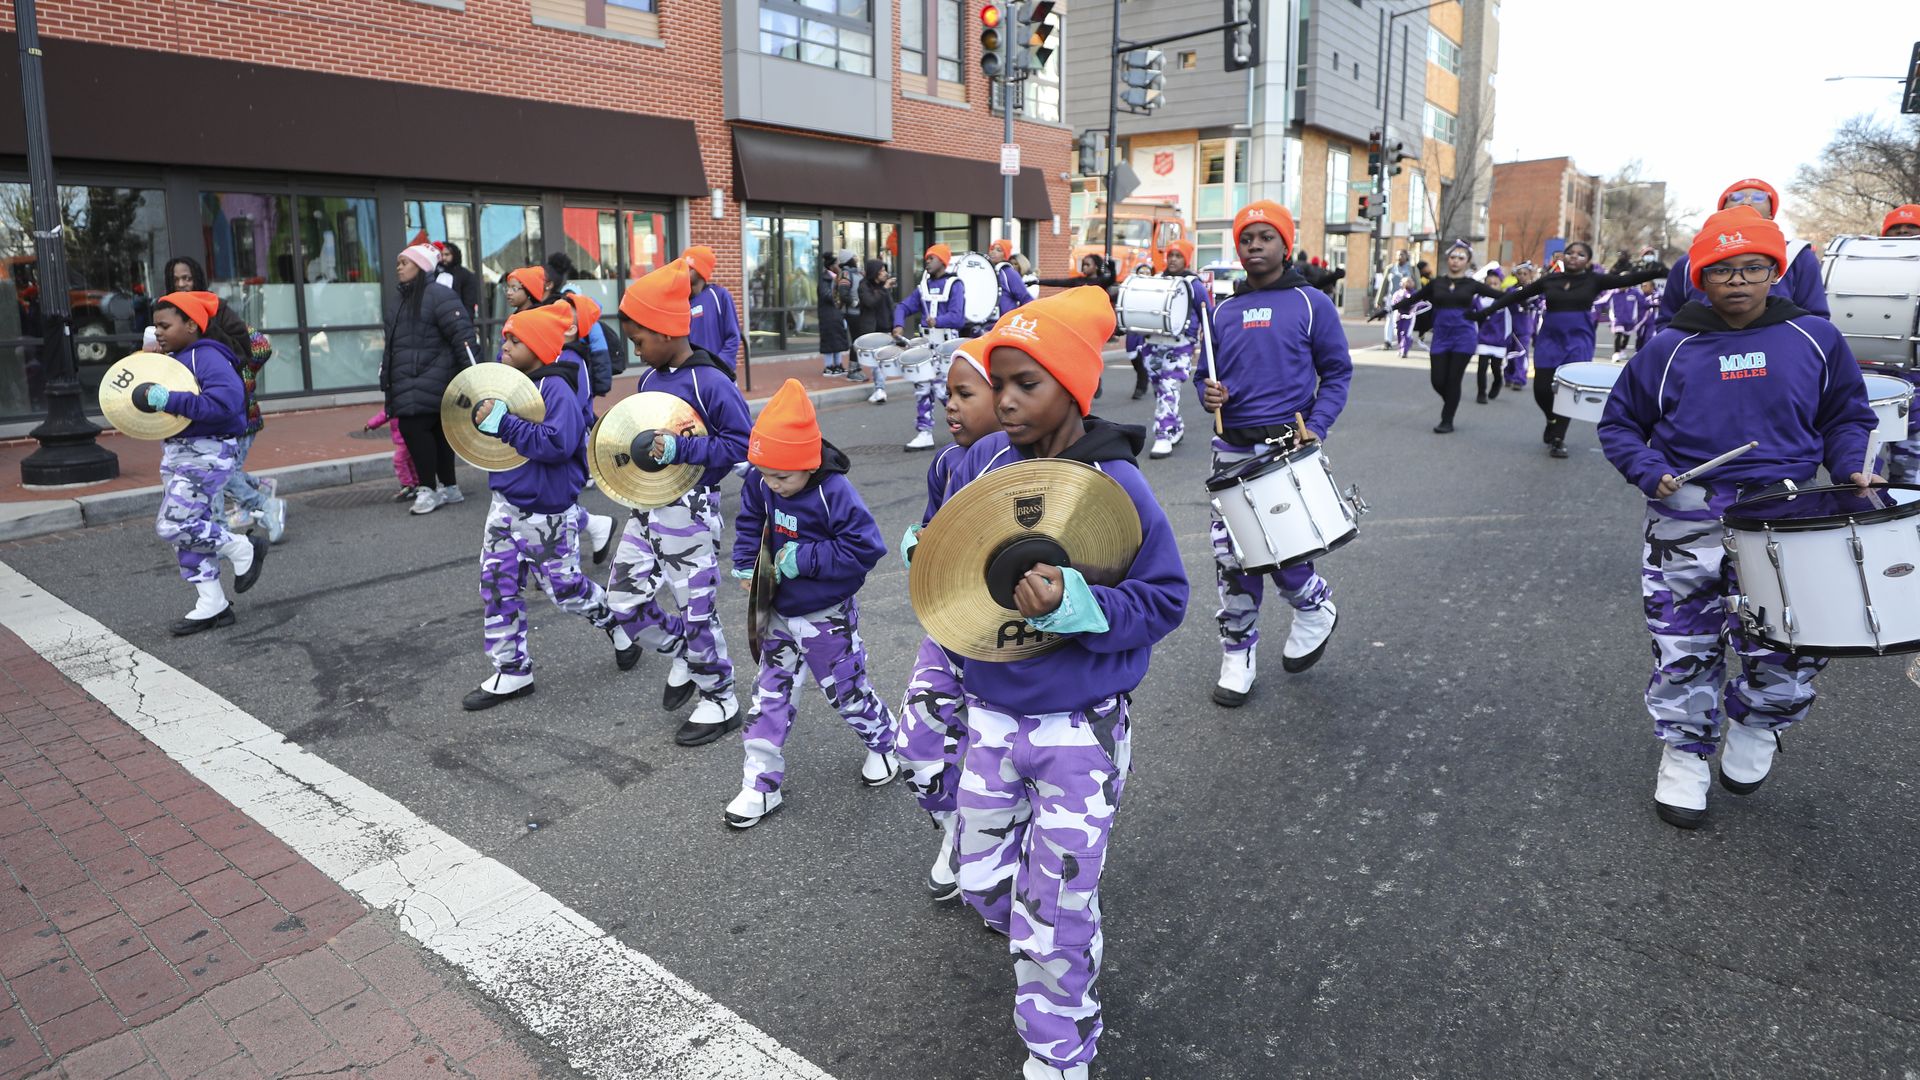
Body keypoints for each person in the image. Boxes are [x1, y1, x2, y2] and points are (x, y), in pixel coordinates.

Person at [920, 286, 1187, 1080]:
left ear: (1072, 388)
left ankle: (1060, 1043)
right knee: (979, 879)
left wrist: (1080, 603)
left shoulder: (1118, 486)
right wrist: (928, 556)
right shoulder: (986, 462)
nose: (1001, 399)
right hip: (991, 716)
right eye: (995, 381)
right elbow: (950, 535)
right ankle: (1044, 945)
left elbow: (1165, 599)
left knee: (1057, 908)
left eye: (1023, 383)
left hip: (1080, 728)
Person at [1596, 206, 1877, 830]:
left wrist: (1851, 463)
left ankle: (1757, 722)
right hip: (1688, 515)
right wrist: (1648, 471)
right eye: (1723, 269)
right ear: (1701, 276)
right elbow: (1620, 425)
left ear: (1774, 270)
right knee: (1684, 641)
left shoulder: (1814, 337)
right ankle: (1684, 755)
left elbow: (1847, 415)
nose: (1739, 281)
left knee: (1795, 636)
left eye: (1753, 267)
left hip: (1787, 508)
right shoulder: (1669, 345)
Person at [722, 379, 897, 827]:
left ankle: (885, 742)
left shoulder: (833, 492)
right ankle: (760, 785)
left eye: (783, 476)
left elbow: (866, 548)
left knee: (846, 693)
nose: (773, 485)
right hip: (779, 611)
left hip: (826, 616)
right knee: (768, 696)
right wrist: (746, 565)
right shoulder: (764, 482)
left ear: (808, 463)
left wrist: (806, 559)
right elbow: (749, 523)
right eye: (764, 474)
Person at [1205, 201, 1352, 706]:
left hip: (1287, 445)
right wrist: (1210, 396)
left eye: (1266, 237)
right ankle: (1237, 652)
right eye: (1247, 238)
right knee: (1234, 558)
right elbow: (1213, 378)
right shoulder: (1222, 310)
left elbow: (1337, 373)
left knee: (1286, 550)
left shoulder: (1312, 303)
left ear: (1285, 245)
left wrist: (1317, 425)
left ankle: (1313, 605)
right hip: (1231, 449)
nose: (1254, 246)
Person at [606, 260, 751, 746]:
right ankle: (686, 655)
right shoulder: (649, 380)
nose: (635, 349)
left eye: (640, 340)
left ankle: (720, 696)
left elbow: (741, 444)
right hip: (646, 509)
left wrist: (682, 449)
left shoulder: (709, 382)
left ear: (667, 331)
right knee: (622, 601)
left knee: (697, 611)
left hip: (690, 511)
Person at [461, 303, 615, 711]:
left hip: (547, 513)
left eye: (515, 340)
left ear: (541, 347)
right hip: (504, 505)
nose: (504, 346)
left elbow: (558, 443)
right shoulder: (509, 386)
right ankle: (512, 670)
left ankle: (612, 618)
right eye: (506, 337)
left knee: (565, 591)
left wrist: (506, 424)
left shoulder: (556, 387)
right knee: (496, 586)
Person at [893, 341, 1001, 898]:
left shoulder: (1016, 459)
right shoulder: (945, 461)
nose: (949, 406)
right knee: (913, 747)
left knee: (989, 755)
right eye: (947, 394)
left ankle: (990, 843)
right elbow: (935, 525)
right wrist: (923, 544)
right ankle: (958, 825)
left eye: (965, 394)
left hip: (1001, 639)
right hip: (948, 629)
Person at [142, 291, 268, 635]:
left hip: (207, 454)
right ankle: (212, 603)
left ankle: (243, 547)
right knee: (189, 529)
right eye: (155, 327)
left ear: (192, 325)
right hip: (183, 453)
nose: (159, 333)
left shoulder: (207, 356)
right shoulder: (182, 357)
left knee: (173, 525)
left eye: (165, 325)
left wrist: (170, 399)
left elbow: (226, 403)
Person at [1474, 240, 1667, 458]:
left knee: (1567, 390)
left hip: (1578, 340)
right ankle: (1551, 418)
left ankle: (1558, 438)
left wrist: (1657, 271)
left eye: (1581, 254)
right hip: (1549, 339)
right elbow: (1517, 295)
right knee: (1541, 389)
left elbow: (1628, 279)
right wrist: (1484, 312)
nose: (1574, 256)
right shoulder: (1550, 280)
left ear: (1588, 261)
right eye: (1570, 253)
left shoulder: (1594, 280)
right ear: (1564, 257)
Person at [161, 257, 286, 544]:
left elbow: (253, 346)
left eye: (188, 278)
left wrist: (241, 375)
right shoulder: (166, 315)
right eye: (177, 279)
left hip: (225, 409)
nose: (183, 284)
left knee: (220, 473)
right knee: (213, 475)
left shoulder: (214, 309)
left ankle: (262, 506)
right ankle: (225, 526)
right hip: (193, 411)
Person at [1651, 178, 1829, 333]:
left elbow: (1816, 320)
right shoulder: (1687, 264)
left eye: (1759, 196)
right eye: (1735, 197)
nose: (1746, 201)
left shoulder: (1799, 257)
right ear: (1722, 211)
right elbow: (1667, 322)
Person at [382, 244, 479, 514]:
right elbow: (394, 345)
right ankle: (449, 487)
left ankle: (428, 489)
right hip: (411, 379)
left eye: (405, 262)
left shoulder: (439, 295)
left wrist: (475, 379)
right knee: (435, 432)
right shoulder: (401, 298)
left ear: (422, 265)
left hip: (430, 378)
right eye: (398, 262)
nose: (399, 267)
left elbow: (463, 338)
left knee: (416, 430)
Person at [1391, 240, 1507, 433]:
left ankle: (1447, 419)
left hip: (1464, 337)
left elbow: (1502, 297)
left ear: (1468, 262)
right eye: (1453, 257)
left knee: (1454, 379)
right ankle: (1451, 401)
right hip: (1441, 336)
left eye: (1461, 258)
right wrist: (1388, 309)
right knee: (1438, 380)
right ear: (1448, 259)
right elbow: (1413, 298)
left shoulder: (1471, 285)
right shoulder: (1437, 283)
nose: (1456, 261)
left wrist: (1482, 314)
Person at [552, 295, 617, 565]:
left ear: (569, 328)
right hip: (553, 445)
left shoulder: (571, 361)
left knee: (555, 504)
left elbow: (573, 415)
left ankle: (566, 570)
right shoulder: (555, 353)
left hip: (563, 449)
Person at [893, 244, 972, 451]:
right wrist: (898, 325)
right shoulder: (923, 287)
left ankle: (969, 427)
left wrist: (937, 320)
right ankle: (924, 432)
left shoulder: (955, 284)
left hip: (947, 347)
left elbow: (958, 318)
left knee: (944, 390)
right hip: (927, 346)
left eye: (931, 258)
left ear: (942, 261)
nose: (927, 261)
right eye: (926, 258)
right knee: (921, 387)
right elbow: (903, 306)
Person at [1139, 240, 1211, 459]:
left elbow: (1207, 315)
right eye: (1170, 255)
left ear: (1186, 259)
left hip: (1180, 345)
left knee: (1168, 387)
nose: (1172, 259)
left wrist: (1211, 345)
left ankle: (1163, 434)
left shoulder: (1194, 284)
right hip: (1154, 343)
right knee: (1161, 389)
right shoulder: (1157, 281)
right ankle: (1176, 426)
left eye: (1178, 256)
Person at [1875, 204, 1920, 483]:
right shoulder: (1867, 274)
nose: (1903, 232)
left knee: (1912, 481)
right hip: (1875, 391)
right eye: (1895, 229)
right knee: (1864, 483)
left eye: (1911, 228)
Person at [684, 245, 743, 378]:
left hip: (719, 374)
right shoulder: (681, 302)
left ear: (700, 271)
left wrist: (719, 365)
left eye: (689, 267)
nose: (684, 271)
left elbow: (733, 336)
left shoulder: (720, 296)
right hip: (692, 376)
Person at [850, 258, 895, 396]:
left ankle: (879, 388)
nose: (884, 273)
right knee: (877, 360)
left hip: (885, 326)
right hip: (872, 328)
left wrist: (895, 324)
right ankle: (879, 388)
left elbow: (889, 306)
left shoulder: (883, 286)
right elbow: (870, 302)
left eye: (884, 270)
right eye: (881, 270)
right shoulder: (864, 286)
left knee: (883, 360)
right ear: (874, 272)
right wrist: (884, 289)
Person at [1472, 263, 1512, 404]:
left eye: (1495, 283)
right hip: (1483, 337)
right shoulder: (1478, 299)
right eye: (1489, 284)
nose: (1492, 286)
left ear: (1500, 284)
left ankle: (1497, 382)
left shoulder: (1505, 299)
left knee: (1496, 367)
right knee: (1482, 367)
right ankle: (1481, 393)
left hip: (1499, 338)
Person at [361, 407, 418, 502]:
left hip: (407, 437)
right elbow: (384, 414)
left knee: (399, 460)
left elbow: (384, 414)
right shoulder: (395, 404)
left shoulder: (400, 402)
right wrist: (371, 424)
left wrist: (370, 424)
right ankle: (415, 483)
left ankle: (408, 485)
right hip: (406, 437)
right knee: (409, 461)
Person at [1503, 262, 1542, 391]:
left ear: (1530, 274)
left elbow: (1540, 306)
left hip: (1526, 326)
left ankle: (1519, 378)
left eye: (1525, 274)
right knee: (1511, 351)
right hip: (1511, 325)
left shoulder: (1535, 291)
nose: (1522, 276)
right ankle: (1509, 375)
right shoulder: (1511, 290)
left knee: (1521, 352)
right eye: (1519, 274)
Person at [816, 252, 852, 376]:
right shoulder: (825, 279)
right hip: (827, 314)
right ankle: (828, 366)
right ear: (831, 266)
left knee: (838, 339)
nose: (839, 266)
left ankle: (838, 364)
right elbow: (827, 296)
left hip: (837, 314)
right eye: (836, 264)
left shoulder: (838, 278)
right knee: (829, 340)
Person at [987, 238, 1035, 317]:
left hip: (1005, 322)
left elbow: (1025, 298)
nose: (993, 252)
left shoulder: (1009, 273)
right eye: (992, 249)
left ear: (1005, 256)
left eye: (998, 250)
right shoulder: (988, 270)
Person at [434, 242, 481, 319]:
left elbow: (469, 302)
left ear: (454, 255)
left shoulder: (465, 275)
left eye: (447, 254)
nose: (443, 258)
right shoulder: (434, 273)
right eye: (441, 255)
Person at [1609, 279, 1647, 358]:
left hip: (1630, 319)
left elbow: (1643, 303)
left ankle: (1623, 349)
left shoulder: (1635, 292)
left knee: (1626, 336)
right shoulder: (1613, 292)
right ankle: (1616, 353)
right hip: (1617, 318)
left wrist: (1651, 305)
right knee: (1618, 334)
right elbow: (1604, 300)